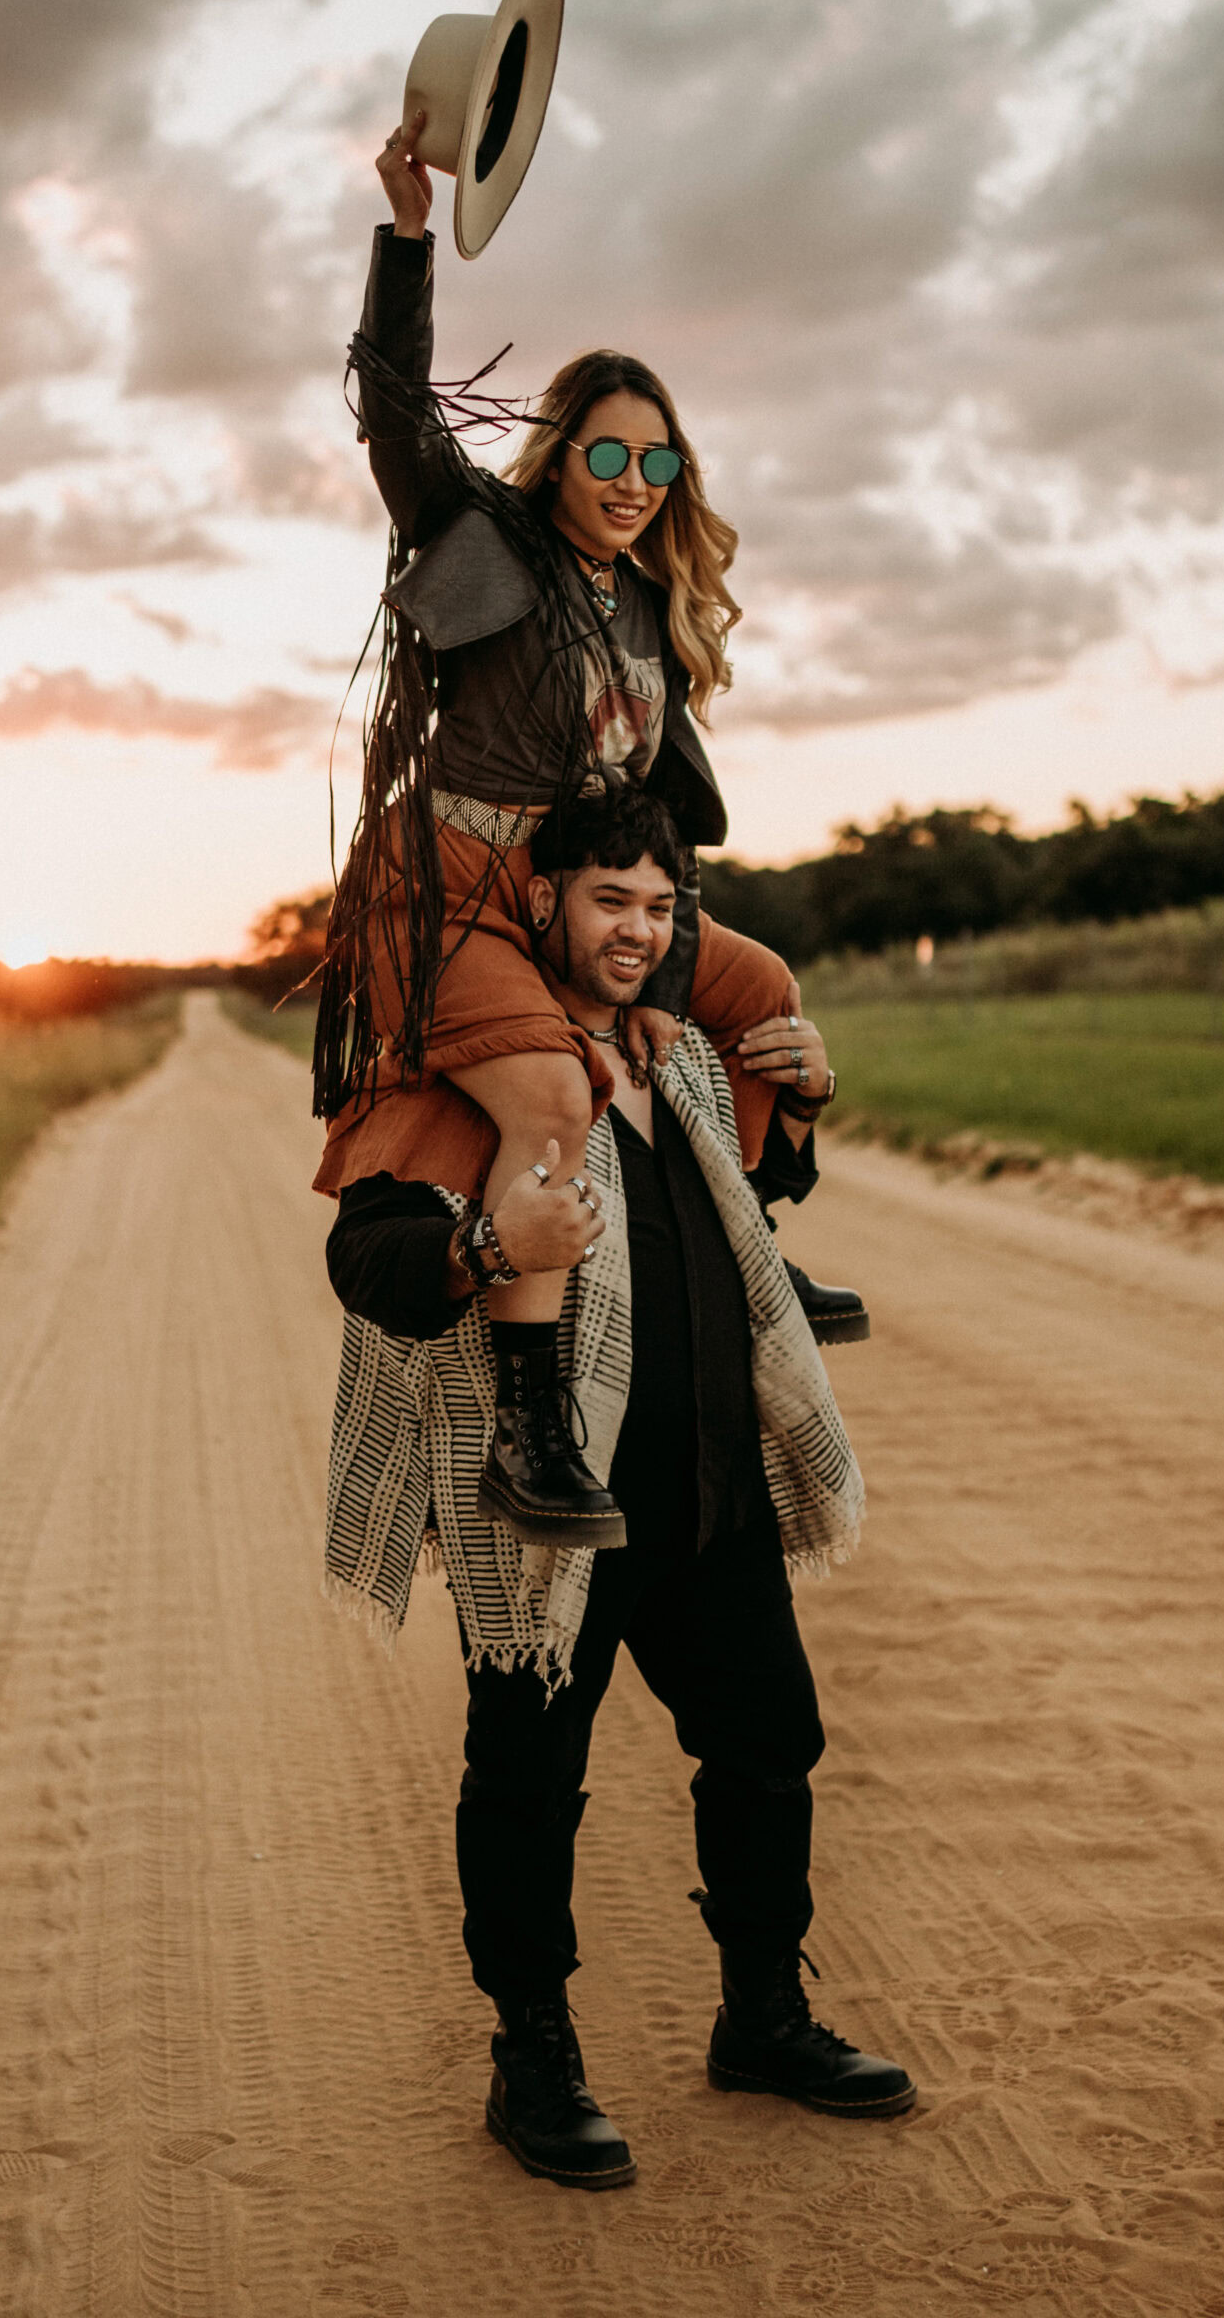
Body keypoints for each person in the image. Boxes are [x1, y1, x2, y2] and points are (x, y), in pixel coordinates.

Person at [322, 785, 916, 2191]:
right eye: (608, 901)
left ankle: (763, 2019)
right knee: (528, 1784)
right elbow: (368, 1264)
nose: (639, 930)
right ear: (541, 908)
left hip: (711, 1499)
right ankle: (533, 2056)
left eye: (660, 906)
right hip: (552, 1517)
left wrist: (809, 1094)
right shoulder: (450, 1081)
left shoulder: (684, 1060)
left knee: (772, 1744)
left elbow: (758, 1204)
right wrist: (484, 1245)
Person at [313, 108, 865, 1557]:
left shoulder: (648, 610)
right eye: (610, 457)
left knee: (760, 995)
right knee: (555, 1108)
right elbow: (394, 414)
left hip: (577, 891)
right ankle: (531, 1426)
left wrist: (662, 920)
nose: (634, 486)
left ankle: (754, 1254)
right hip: (448, 885)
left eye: (661, 466)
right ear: (559, 458)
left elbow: (655, 811)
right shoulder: (487, 542)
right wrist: (409, 236)